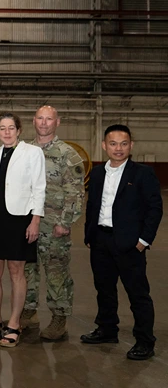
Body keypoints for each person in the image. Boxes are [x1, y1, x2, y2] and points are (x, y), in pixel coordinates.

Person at [82, 125, 163, 361]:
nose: (119, 148)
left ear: (131, 145)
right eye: (113, 143)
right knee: (104, 290)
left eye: (124, 143)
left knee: (138, 294)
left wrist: (143, 241)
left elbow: (154, 209)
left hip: (129, 244)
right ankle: (107, 330)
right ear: (104, 145)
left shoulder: (142, 173)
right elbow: (93, 206)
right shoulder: (97, 174)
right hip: (100, 241)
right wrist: (90, 235)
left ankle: (145, 341)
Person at [0, 113, 46, 348]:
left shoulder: (32, 152)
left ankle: (14, 322)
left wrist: (35, 219)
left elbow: (39, 187)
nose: (7, 132)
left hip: (20, 218)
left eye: (11, 128)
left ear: (19, 130)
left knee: (17, 272)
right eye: (2, 128)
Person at [22, 106, 85, 341]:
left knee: (56, 272)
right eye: (40, 118)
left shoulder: (67, 154)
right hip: (27, 223)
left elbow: (75, 192)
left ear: (57, 123)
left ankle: (59, 318)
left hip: (54, 224)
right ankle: (28, 312)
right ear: (33, 120)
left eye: (49, 119)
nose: (44, 123)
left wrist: (65, 222)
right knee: (28, 269)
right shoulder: (25, 151)